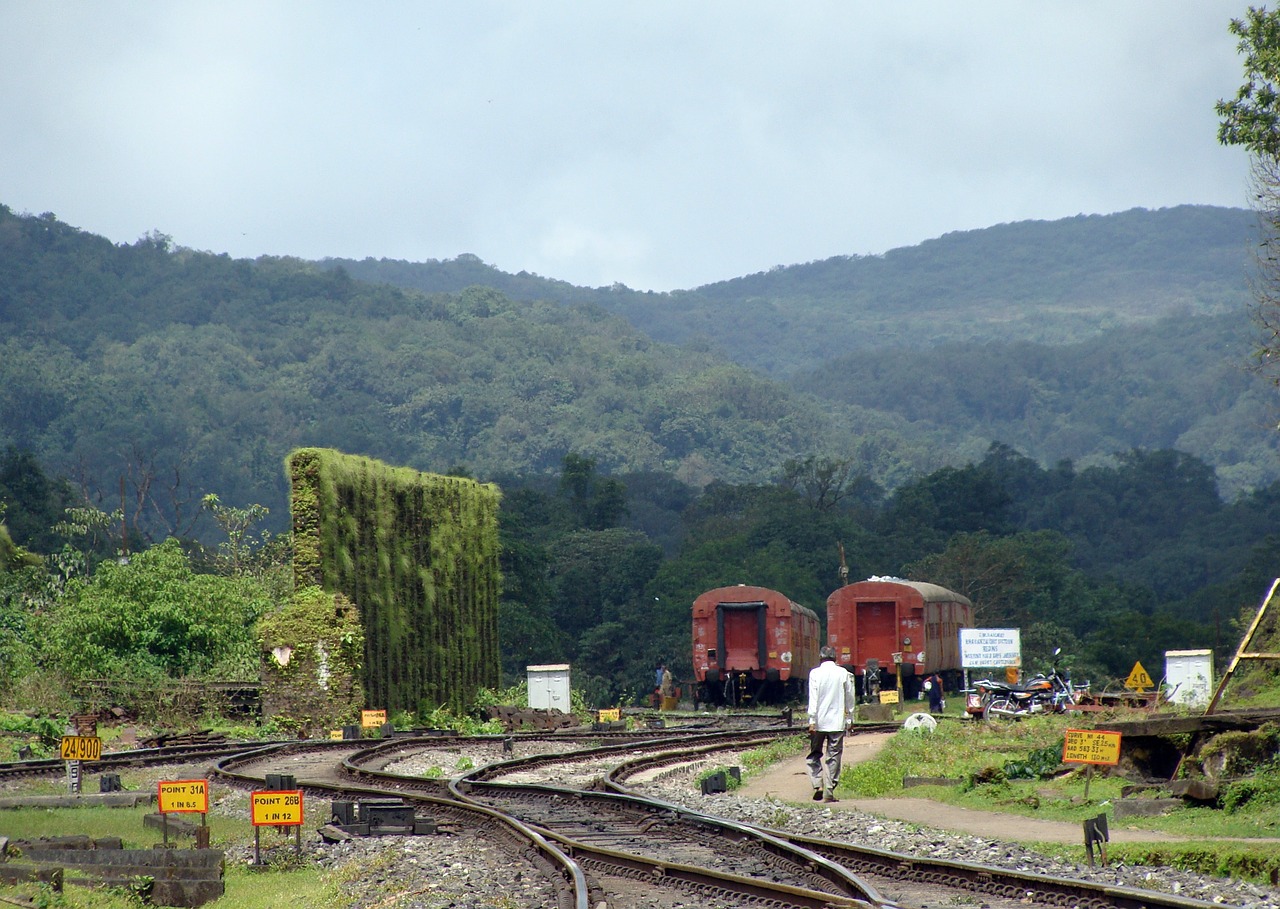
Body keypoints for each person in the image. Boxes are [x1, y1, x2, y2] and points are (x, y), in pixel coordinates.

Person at [806, 645, 856, 803]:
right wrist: (849, 719)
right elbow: (850, 698)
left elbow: (813, 698)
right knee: (833, 756)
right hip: (837, 723)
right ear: (835, 658)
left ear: (820, 657)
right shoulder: (844, 674)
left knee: (814, 755)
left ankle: (817, 784)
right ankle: (829, 790)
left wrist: (812, 720)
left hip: (819, 723)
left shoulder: (815, 673)